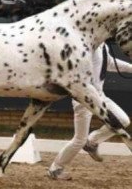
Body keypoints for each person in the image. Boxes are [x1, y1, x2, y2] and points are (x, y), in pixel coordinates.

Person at [49, 42, 132, 180]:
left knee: (123, 120)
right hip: (84, 98)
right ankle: (55, 169)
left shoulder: (103, 46)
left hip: (100, 96)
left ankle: (92, 141)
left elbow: (109, 63)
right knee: (79, 139)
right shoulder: (87, 46)